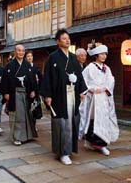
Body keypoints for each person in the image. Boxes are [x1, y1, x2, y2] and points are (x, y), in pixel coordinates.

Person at [40, 29, 87, 165]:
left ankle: (69, 149)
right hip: (60, 95)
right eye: (64, 38)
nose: (67, 40)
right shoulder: (53, 58)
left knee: (72, 122)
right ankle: (63, 152)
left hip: (72, 94)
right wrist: (48, 95)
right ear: (58, 41)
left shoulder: (73, 57)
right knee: (62, 123)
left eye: (68, 38)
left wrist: (81, 90)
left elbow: (80, 76)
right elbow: (48, 77)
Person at [78, 44, 119, 156]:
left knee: (104, 120)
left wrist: (106, 88)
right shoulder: (90, 67)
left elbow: (111, 81)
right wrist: (93, 89)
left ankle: (102, 144)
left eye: (105, 54)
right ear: (96, 55)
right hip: (94, 98)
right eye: (101, 54)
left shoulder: (107, 68)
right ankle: (93, 142)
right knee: (93, 120)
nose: (104, 56)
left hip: (104, 97)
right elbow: (84, 81)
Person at [0, 44, 37, 146]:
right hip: (15, 93)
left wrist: (33, 90)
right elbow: (5, 81)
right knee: (18, 116)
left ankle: (28, 135)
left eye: (23, 51)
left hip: (26, 93)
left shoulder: (27, 65)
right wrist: (6, 93)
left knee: (27, 115)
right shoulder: (9, 66)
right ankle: (17, 137)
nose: (21, 53)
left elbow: (33, 79)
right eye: (19, 51)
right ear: (15, 52)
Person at [25, 50, 43, 127]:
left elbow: (41, 79)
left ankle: (33, 125)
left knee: (34, 108)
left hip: (35, 91)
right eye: (28, 56)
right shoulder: (24, 67)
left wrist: (38, 90)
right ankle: (29, 125)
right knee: (27, 109)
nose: (30, 58)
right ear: (25, 58)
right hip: (27, 91)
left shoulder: (36, 67)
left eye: (31, 56)